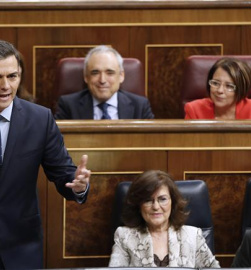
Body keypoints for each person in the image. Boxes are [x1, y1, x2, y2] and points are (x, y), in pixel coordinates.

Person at [0, 40, 91, 269]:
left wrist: (78, 184)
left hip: (20, 247)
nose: (5, 85)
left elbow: (63, 173)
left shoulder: (39, 119)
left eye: (12, 76)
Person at [109, 170, 220, 268]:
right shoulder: (124, 236)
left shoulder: (193, 236)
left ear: (173, 202)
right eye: (148, 200)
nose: (156, 207)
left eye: (162, 199)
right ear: (139, 205)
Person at [54, 45, 154, 120]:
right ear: (86, 77)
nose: (102, 80)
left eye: (110, 73)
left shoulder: (140, 106)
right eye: (95, 73)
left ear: (121, 76)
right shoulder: (68, 106)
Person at [184, 57, 251, 120]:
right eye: (215, 83)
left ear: (241, 89)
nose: (220, 90)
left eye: (229, 86)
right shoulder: (194, 110)